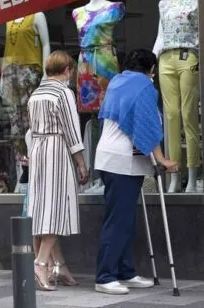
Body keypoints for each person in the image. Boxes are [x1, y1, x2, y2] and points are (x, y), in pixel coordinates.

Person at [94, 49, 178, 295]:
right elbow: (148, 124)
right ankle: (105, 276)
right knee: (119, 221)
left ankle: (125, 271)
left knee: (124, 219)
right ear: (150, 69)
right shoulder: (144, 87)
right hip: (122, 162)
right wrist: (162, 159)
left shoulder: (117, 83)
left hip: (109, 156)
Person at [26, 51, 89, 291]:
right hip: (57, 151)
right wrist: (81, 162)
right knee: (57, 208)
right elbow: (72, 130)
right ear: (66, 70)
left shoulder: (36, 93)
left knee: (42, 208)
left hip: (38, 150)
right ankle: (41, 263)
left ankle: (59, 264)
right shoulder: (63, 93)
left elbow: (31, 129)